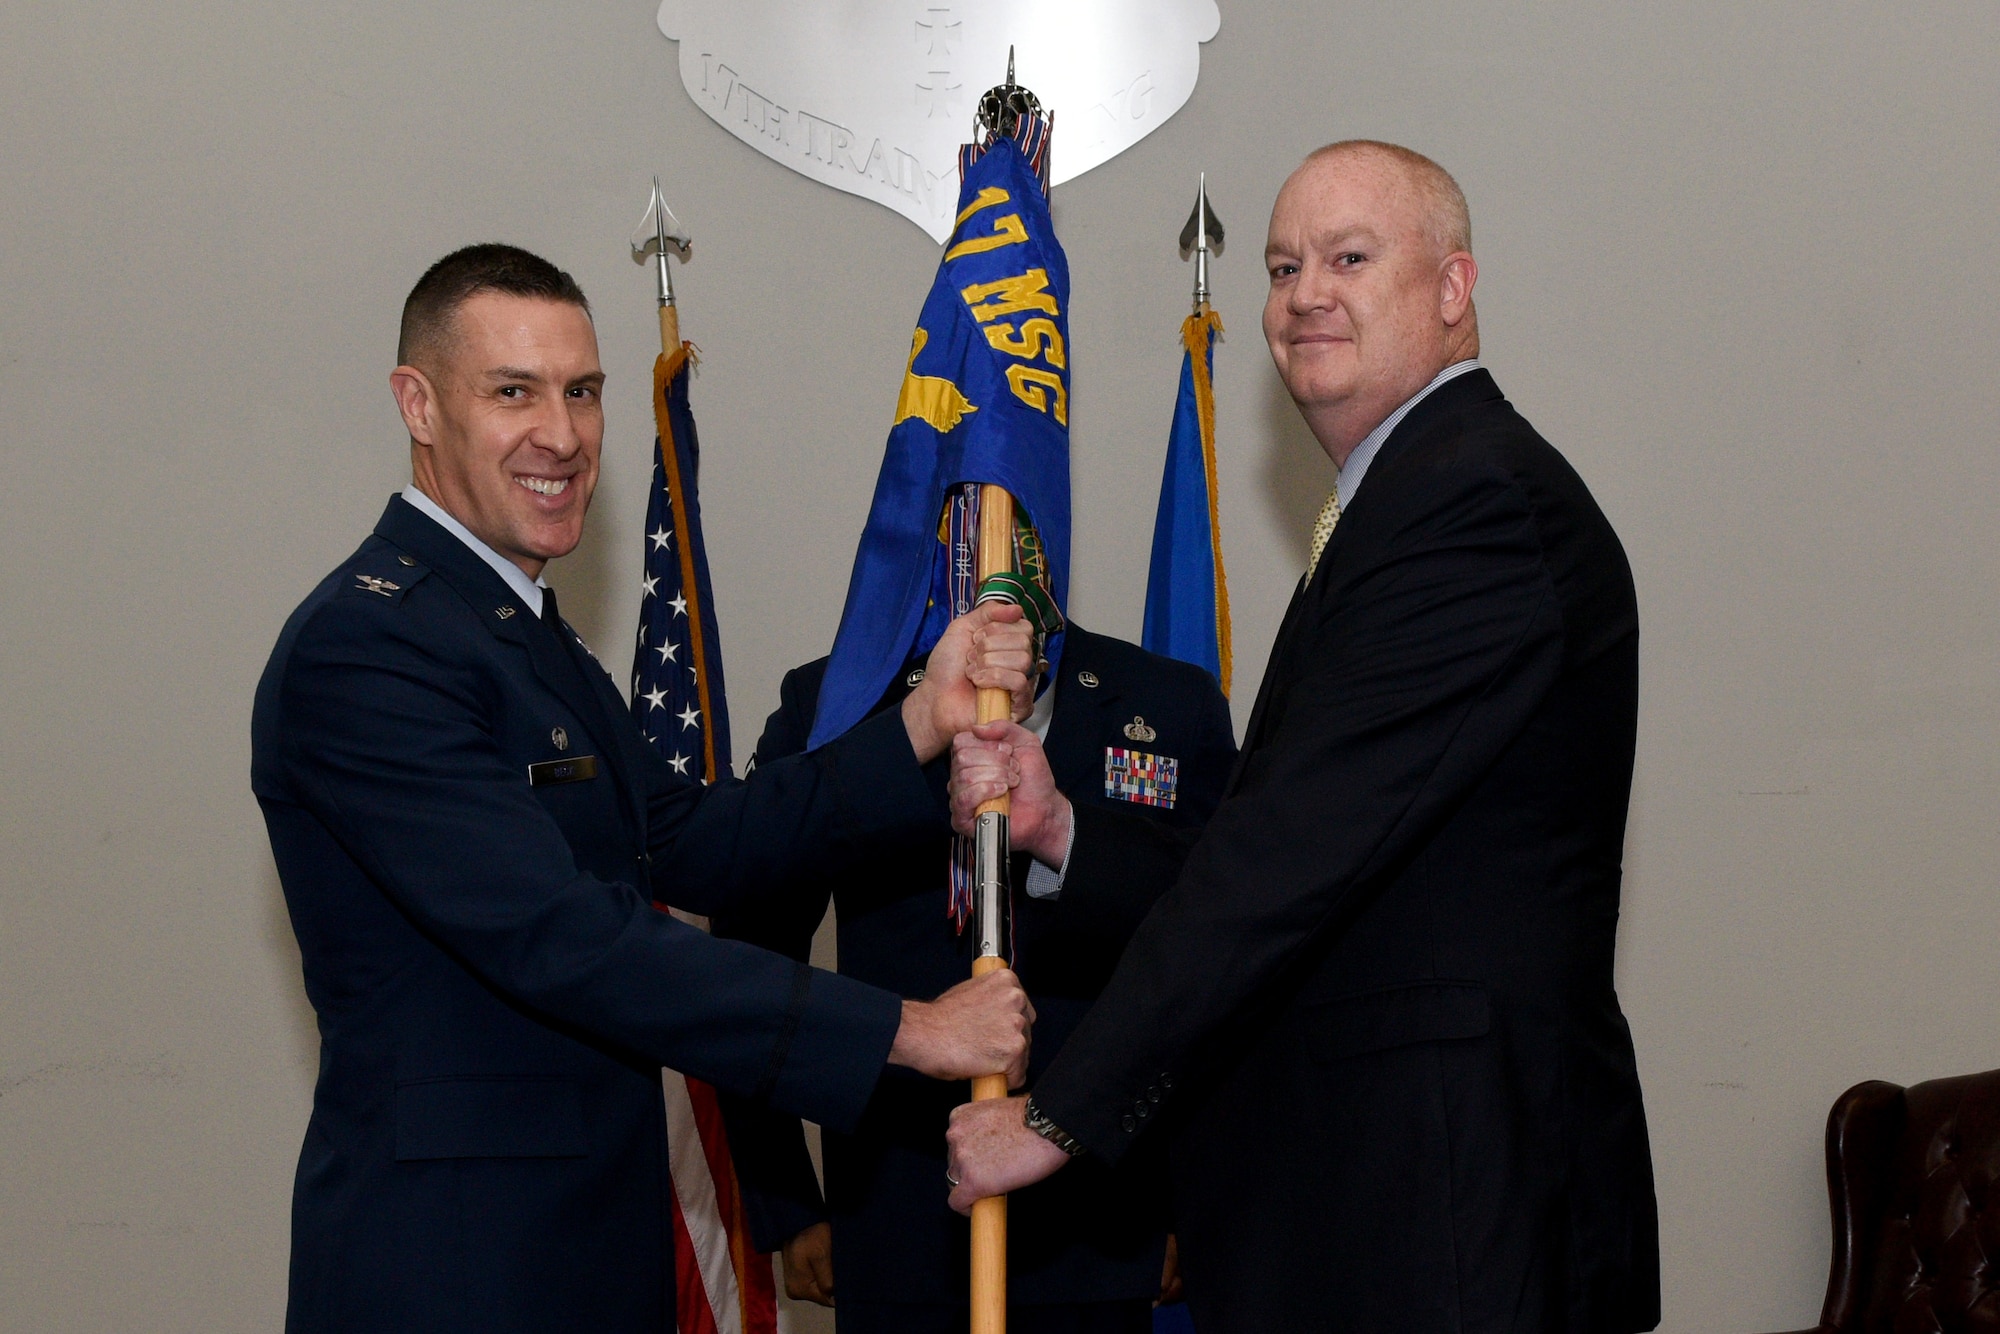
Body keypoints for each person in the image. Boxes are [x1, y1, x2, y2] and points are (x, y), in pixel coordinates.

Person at [250, 244, 1040, 1333]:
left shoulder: (518, 631)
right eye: (512, 392)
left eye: (581, 391)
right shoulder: (368, 647)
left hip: (586, 1252)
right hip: (456, 1266)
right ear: (417, 404)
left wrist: (920, 723)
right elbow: (568, 938)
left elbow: (682, 839)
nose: (562, 435)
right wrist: (908, 1030)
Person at [944, 142, 1660, 1332]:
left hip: (1442, 1217)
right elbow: (1322, 853)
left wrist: (1060, 1109)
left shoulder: (1471, 500)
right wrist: (1062, 828)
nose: (1301, 293)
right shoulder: (1400, 502)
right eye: (1280, 267)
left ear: (1451, 288)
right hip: (1374, 1210)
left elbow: (1287, 856)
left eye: (1347, 257)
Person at [714, 625, 1237, 1334]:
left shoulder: (1168, 701)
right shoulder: (840, 700)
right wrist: (789, 1200)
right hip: (896, 1221)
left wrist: (1189, 1205)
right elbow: (753, 947)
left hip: (1103, 1226)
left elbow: (1222, 947)